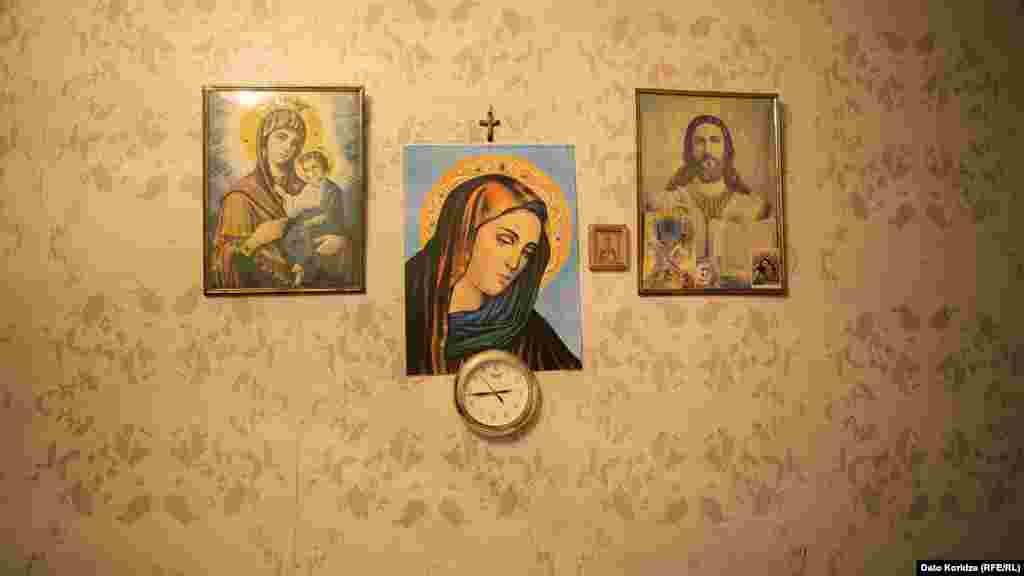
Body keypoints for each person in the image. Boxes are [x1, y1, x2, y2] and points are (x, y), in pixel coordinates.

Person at [405, 173, 582, 376]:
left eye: (527, 252)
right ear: (464, 232)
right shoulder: (410, 307)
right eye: (505, 240)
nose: (514, 264)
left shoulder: (528, 330)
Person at [210, 108, 349, 289]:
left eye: (295, 142)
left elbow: (336, 232)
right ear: (264, 141)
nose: (288, 147)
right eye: (281, 137)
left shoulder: (313, 189)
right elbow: (221, 263)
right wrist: (255, 241)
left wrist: (342, 244)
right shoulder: (240, 196)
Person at [651, 115, 771, 261]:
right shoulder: (667, 201)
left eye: (715, 140)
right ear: (689, 151)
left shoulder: (752, 206)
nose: (708, 150)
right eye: (699, 142)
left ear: (727, 150)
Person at [281, 150, 356, 287]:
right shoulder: (308, 188)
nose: (311, 173)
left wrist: (315, 220)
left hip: (327, 224)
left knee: (307, 236)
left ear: (325, 168)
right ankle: (298, 263)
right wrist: (288, 200)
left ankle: (302, 266)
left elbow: (332, 214)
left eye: (314, 167)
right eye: (307, 170)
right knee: (291, 237)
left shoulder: (331, 189)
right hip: (309, 222)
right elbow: (298, 205)